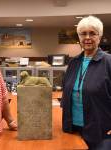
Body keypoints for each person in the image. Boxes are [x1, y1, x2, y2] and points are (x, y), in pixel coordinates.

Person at [61, 16, 111, 150]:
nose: (87, 37)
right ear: (79, 37)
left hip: (101, 132)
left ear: (99, 37)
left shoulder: (108, 62)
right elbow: (66, 91)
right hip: (72, 129)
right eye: (83, 33)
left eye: (92, 33)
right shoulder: (73, 62)